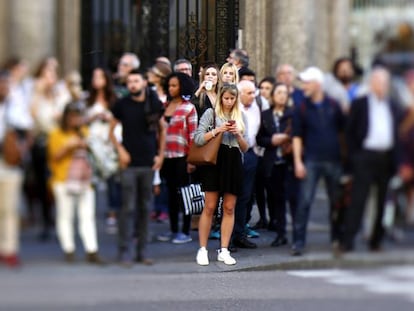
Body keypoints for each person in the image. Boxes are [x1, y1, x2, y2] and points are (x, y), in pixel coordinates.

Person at [340, 67, 402, 253]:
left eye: (385, 83)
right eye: (379, 82)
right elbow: (349, 132)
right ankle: (348, 241)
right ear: (372, 83)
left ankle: (376, 240)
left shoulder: (392, 105)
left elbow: (396, 133)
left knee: (383, 201)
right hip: (365, 156)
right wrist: (355, 156)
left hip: (385, 157)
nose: (382, 86)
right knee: (358, 200)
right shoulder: (360, 103)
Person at [110, 69, 165, 266]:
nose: (133, 84)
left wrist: (161, 154)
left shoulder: (153, 103)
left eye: (136, 80)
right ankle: (124, 251)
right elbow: (111, 130)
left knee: (144, 208)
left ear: (143, 83)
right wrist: (120, 151)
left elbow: (162, 128)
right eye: (130, 81)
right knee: (127, 208)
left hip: (148, 163)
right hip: (129, 164)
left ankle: (142, 251)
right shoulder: (122, 105)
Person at [292, 67, 346, 256]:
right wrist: (298, 161)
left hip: (334, 160)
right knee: (304, 201)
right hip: (311, 160)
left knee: (337, 202)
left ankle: (337, 240)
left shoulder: (333, 105)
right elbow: (297, 136)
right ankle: (298, 242)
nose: (304, 86)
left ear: (318, 84)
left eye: (307, 82)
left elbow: (343, 131)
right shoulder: (302, 107)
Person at [194, 83, 249, 266]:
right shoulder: (211, 113)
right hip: (215, 161)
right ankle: (202, 249)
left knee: (229, 207)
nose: (229, 102)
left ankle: (224, 249)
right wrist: (218, 130)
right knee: (209, 206)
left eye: (232, 98)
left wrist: (238, 134)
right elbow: (198, 138)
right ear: (220, 97)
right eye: (226, 98)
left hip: (233, 161)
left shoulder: (241, 116)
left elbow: (246, 147)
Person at [47, 101, 105, 264]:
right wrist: (68, 147)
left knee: (87, 216)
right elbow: (53, 157)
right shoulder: (56, 134)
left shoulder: (85, 132)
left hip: (85, 180)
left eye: (78, 117)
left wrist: (88, 145)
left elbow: (95, 154)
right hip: (63, 179)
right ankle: (69, 249)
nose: (75, 120)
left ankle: (91, 249)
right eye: (72, 116)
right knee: (65, 216)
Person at [157, 72, 197, 244]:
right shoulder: (164, 106)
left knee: (184, 194)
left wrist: (191, 160)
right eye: (170, 85)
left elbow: (193, 135)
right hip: (166, 156)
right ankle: (173, 230)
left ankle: (185, 231)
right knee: (170, 193)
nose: (171, 88)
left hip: (182, 156)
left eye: (175, 85)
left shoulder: (189, 108)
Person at [256, 83, 296, 247]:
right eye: (278, 92)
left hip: (290, 161)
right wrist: (271, 141)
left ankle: (297, 234)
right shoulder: (265, 114)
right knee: (277, 199)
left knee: (293, 199)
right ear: (272, 96)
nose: (281, 96)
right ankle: (280, 233)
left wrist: (286, 139)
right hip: (273, 162)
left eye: (284, 93)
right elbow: (259, 138)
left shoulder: (292, 114)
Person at [85, 67, 119, 234]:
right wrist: (92, 117)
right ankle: (91, 211)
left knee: (111, 177)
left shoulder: (113, 99)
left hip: (109, 140)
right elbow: (81, 119)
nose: (96, 79)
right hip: (92, 140)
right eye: (94, 76)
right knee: (93, 178)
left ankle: (112, 212)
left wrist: (109, 117)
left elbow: (119, 118)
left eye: (99, 76)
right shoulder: (87, 99)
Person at [231, 80, 261, 249]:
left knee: (246, 197)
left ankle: (240, 233)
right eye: (249, 93)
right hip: (234, 155)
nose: (253, 96)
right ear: (240, 93)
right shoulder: (232, 109)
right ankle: (228, 237)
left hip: (250, 154)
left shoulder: (255, 108)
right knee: (231, 198)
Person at [0, 70, 24, 268]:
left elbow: (28, 127)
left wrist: (20, 149)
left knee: (9, 209)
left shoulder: (15, 106)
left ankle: (9, 249)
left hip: (9, 163)